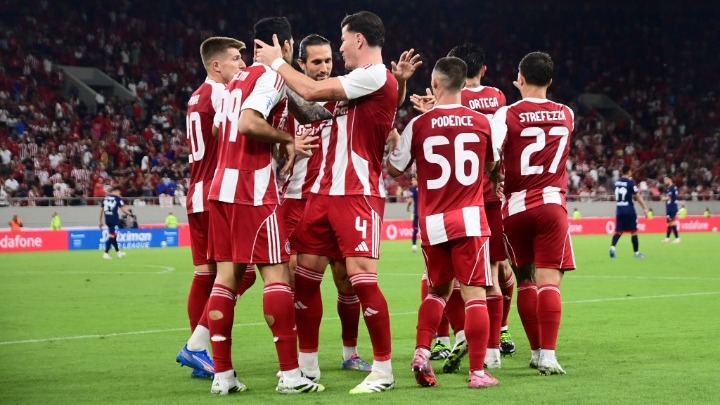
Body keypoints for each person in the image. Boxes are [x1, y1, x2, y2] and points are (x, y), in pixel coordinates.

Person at [254, 11, 416, 394]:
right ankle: (308, 366)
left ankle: (383, 370)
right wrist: (272, 85)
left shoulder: (375, 75)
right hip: (322, 195)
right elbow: (309, 107)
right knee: (305, 278)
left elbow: (312, 93)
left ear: (358, 39)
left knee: (361, 280)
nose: (339, 49)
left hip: (357, 195)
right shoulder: (352, 87)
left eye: (342, 41)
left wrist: (276, 63)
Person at [206, 17, 322, 395]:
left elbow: (221, 130)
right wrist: (285, 139)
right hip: (252, 191)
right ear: (284, 45)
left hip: (221, 189)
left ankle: (222, 377)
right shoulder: (269, 76)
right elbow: (248, 124)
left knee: (226, 279)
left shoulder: (232, 81)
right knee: (277, 277)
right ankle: (290, 375)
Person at [387, 56, 499, 389]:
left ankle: (422, 352)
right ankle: (477, 372)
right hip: (469, 219)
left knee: (437, 291)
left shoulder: (419, 124)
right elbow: (491, 164)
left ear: (435, 83)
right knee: (475, 296)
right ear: (464, 84)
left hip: (433, 220)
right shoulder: (481, 122)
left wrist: (398, 141)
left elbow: (394, 169)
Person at [279, 33, 374, 374]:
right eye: (316, 62)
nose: (324, 68)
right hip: (296, 200)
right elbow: (269, 145)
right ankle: (301, 358)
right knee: (296, 279)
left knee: (345, 278)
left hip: (335, 200)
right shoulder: (286, 98)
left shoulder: (344, 94)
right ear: (301, 64)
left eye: (328, 61)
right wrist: (286, 144)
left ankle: (350, 353)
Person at [175, 36, 257, 381]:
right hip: (216, 195)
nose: (242, 64)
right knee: (243, 272)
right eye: (236, 58)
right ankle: (197, 344)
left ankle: (200, 352)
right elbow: (232, 133)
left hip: (197, 191)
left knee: (206, 275)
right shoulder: (223, 93)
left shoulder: (197, 95)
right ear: (216, 65)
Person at [492, 51, 575, 375]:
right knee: (549, 281)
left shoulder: (507, 113)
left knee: (525, 279)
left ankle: (536, 350)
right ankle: (548, 356)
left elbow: (491, 155)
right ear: (550, 81)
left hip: (515, 208)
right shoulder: (566, 113)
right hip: (551, 205)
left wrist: (495, 176)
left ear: (520, 79)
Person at [609, 166, 649, 259]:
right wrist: (645, 208)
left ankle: (612, 248)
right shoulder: (630, 182)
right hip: (629, 209)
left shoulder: (617, 182)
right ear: (628, 172)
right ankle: (636, 253)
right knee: (633, 231)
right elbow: (637, 196)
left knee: (619, 231)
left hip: (619, 210)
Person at [99, 186, 132, 259]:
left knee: (114, 236)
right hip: (114, 220)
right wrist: (131, 214)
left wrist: (100, 221)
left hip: (107, 220)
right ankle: (106, 253)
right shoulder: (117, 198)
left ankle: (118, 252)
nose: (119, 194)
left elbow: (101, 210)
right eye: (119, 192)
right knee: (112, 236)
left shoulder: (105, 198)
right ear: (117, 191)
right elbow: (123, 209)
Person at [662, 176, 680, 243]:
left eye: (665, 180)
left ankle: (677, 238)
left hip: (672, 207)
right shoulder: (670, 188)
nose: (664, 181)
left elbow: (669, 197)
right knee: (669, 223)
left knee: (672, 222)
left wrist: (663, 198)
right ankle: (667, 238)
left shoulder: (672, 187)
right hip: (669, 207)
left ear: (669, 179)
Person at [407, 176, 419, 252]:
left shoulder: (413, 189)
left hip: (417, 213)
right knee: (425, 230)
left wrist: (407, 207)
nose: (412, 182)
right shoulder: (425, 187)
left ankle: (414, 245)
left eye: (413, 180)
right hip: (424, 213)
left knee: (415, 229)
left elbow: (410, 200)